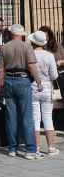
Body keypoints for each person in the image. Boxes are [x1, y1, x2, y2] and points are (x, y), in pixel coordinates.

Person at [0, 23, 43, 159]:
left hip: (8, 81)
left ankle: (12, 148)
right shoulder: (26, 46)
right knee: (27, 116)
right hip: (23, 80)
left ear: (11, 34)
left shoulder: (5, 47)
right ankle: (30, 150)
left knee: (11, 117)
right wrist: (39, 81)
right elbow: (31, 65)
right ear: (22, 34)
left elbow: (1, 70)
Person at [28, 29, 59, 157]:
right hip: (46, 87)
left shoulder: (29, 54)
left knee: (35, 118)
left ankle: (36, 147)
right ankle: (51, 147)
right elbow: (54, 75)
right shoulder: (49, 55)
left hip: (33, 86)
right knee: (47, 117)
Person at [39, 25, 64, 97]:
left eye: (46, 36)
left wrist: (59, 62)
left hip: (59, 78)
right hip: (44, 80)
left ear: (50, 36)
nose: (45, 38)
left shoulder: (57, 46)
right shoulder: (38, 48)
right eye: (43, 36)